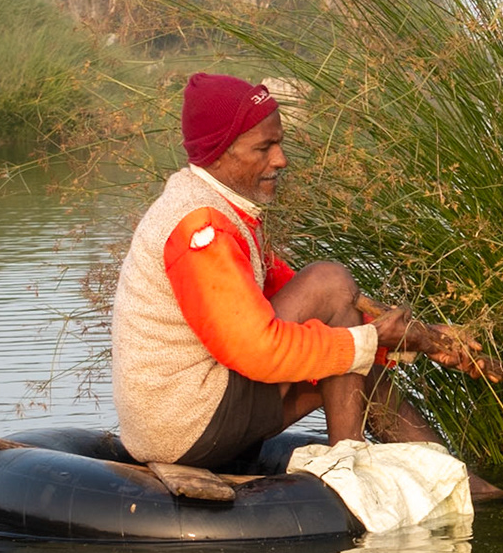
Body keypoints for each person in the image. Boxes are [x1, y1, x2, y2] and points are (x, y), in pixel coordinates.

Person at [109, 72, 478, 473]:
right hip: (185, 427)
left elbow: (308, 297)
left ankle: (458, 479)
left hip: (197, 417)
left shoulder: (223, 207)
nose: (280, 159)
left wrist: (420, 336)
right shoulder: (202, 227)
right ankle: (347, 465)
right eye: (264, 148)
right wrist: (368, 339)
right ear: (219, 153)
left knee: (349, 335)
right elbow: (259, 350)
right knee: (331, 283)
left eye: (280, 143)